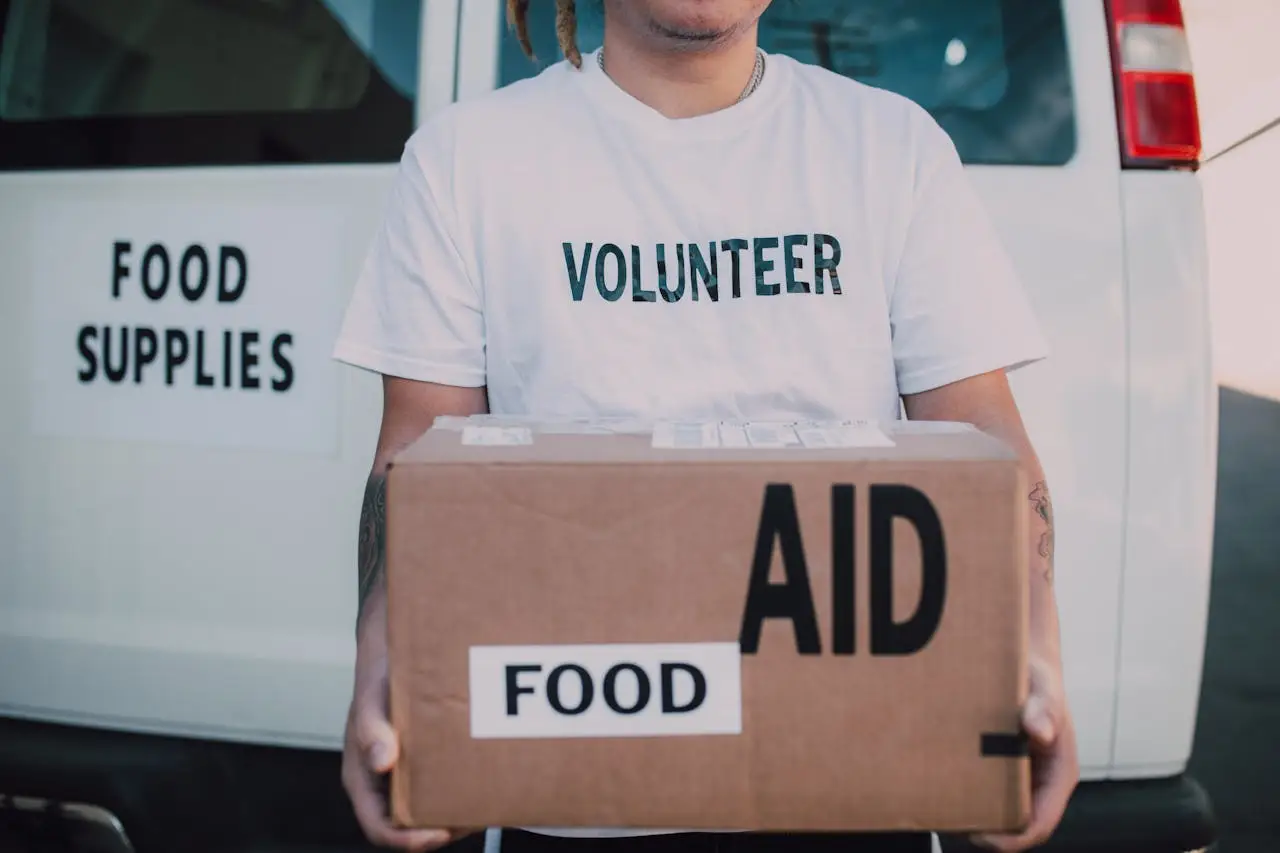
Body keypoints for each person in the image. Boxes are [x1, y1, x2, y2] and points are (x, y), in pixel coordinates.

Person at [333, 1, 1079, 852]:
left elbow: (982, 433)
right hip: (572, 792)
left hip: (858, 790)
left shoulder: (890, 147)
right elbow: (418, 460)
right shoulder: (465, 162)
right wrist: (382, 663)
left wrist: (1036, 653)